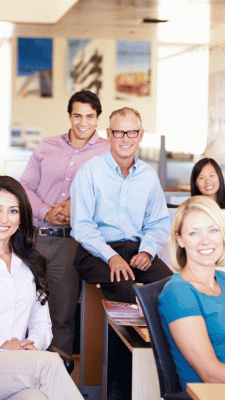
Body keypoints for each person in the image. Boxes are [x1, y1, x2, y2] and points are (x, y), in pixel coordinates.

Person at [0, 176, 83, 400]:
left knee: (34, 397)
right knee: (49, 364)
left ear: (21, 218)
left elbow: (41, 323)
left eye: (13, 211)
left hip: (16, 366)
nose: (4, 219)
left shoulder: (30, 263)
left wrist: (33, 344)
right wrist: (1, 344)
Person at [20, 90, 109, 356]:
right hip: (32, 237)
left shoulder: (107, 151)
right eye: (78, 115)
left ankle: (57, 379)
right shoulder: (47, 146)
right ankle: (19, 369)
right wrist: (47, 212)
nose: (83, 122)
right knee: (20, 307)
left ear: (98, 118)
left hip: (71, 242)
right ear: (69, 116)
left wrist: (76, 205)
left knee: (61, 313)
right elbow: (25, 186)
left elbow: (109, 191)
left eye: (90, 116)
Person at [71, 107, 173, 302]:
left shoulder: (149, 176)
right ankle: (126, 334)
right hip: (96, 251)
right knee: (127, 289)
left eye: (132, 132)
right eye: (119, 133)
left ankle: (161, 334)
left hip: (136, 250)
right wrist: (111, 256)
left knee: (174, 287)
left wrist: (147, 251)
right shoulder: (90, 172)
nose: (126, 139)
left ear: (140, 135)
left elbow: (158, 224)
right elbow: (82, 227)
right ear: (109, 134)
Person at [158, 196, 225, 390]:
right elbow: (210, 373)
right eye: (194, 233)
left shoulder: (222, 281)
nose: (205, 240)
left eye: (213, 230)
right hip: (214, 392)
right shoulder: (178, 293)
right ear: (180, 239)